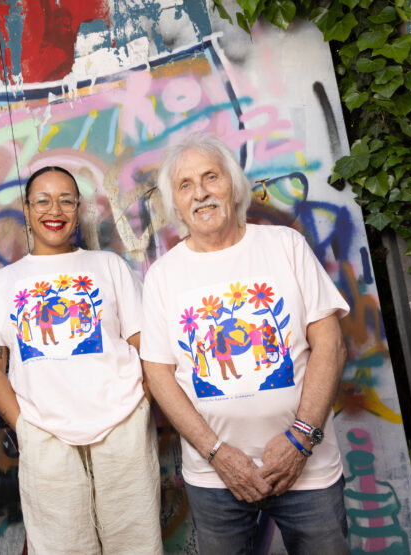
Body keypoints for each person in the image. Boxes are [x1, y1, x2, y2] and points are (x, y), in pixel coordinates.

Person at [141, 133, 350, 554]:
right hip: (215, 479)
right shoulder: (162, 275)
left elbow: (330, 344)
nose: (200, 193)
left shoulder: (285, 246)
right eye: (185, 185)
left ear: (233, 186)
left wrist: (301, 438)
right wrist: (217, 453)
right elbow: (158, 375)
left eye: (210, 178)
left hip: (307, 467)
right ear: (175, 204)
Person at [0, 166, 162, 554]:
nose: (53, 209)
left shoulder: (108, 266)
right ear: (26, 209)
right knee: (60, 546)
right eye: (42, 200)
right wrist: (26, 427)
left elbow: (146, 346)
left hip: (121, 424)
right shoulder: (2, 283)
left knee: (136, 542)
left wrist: (140, 406)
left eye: (65, 200)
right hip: (44, 433)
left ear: (78, 208)